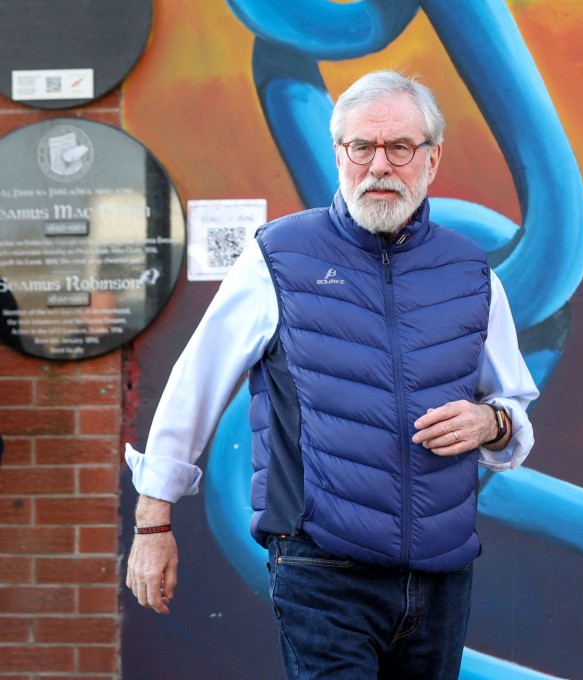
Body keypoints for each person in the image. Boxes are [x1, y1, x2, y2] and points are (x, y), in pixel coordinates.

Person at [124, 70, 539, 679]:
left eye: (400, 147)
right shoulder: (279, 256)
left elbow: (512, 405)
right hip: (322, 568)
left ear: (431, 158)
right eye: (360, 147)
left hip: (442, 575)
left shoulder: (471, 271)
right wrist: (152, 521)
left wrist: (492, 421)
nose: (379, 166)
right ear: (338, 154)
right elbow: (195, 385)